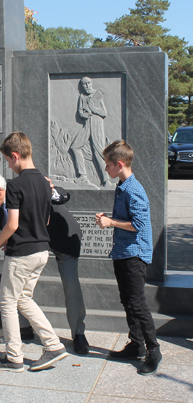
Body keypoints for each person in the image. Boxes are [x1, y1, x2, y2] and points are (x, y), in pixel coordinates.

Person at [0, 171, 89, 354]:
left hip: (61, 236)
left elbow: (63, 195)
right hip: (27, 244)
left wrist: (50, 190)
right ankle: (24, 329)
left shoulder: (23, 186)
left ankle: (78, 334)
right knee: (18, 286)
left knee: (70, 284)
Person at [0, 132, 68, 372]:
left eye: (9, 161)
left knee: (7, 302)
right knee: (24, 299)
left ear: (15, 155)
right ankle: (54, 346)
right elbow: (46, 219)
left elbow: (12, 224)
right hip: (42, 250)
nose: (9, 166)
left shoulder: (15, 185)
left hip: (21, 253)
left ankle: (13, 357)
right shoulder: (44, 182)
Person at [95, 140, 161, 375]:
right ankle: (136, 344)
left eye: (107, 165)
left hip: (135, 254)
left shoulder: (134, 190)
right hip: (123, 252)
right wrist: (110, 217)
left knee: (138, 304)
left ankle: (154, 351)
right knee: (127, 300)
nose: (105, 169)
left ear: (119, 164)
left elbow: (140, 225)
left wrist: (111, 222)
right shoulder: (122, 186)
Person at [70, 76, 111, 187]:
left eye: (88, 83)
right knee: (75, 147)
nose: (87, 86)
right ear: (82, 86)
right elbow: (80, 112)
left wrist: (93, 109)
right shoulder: (82, 97)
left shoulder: (97, 95)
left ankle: (106, 181)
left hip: (97, 123)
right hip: (87, 123)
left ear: (91, 83)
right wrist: (86, 114)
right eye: (84, 84)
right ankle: (82, 176)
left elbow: (104, 113)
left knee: (98, 152)